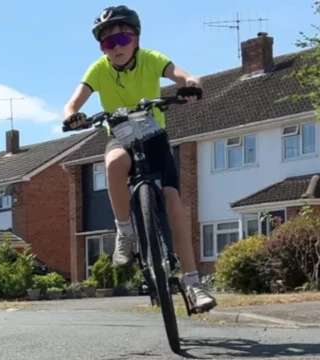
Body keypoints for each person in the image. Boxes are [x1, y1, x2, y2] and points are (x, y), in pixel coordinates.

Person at [62, 5, 216, 312]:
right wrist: (72, 117)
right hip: (121, 137)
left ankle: (193, 283)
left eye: (122, 39)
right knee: (114, 164)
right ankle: (125, 231)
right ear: (102, 48)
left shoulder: (152, 59)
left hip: (153, 137)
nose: (116, 48)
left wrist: (191, 85)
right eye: (108, 43)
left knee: (174, 205)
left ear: (136, 39)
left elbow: (183, 75)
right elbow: (72, 103)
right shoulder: (98, 70)